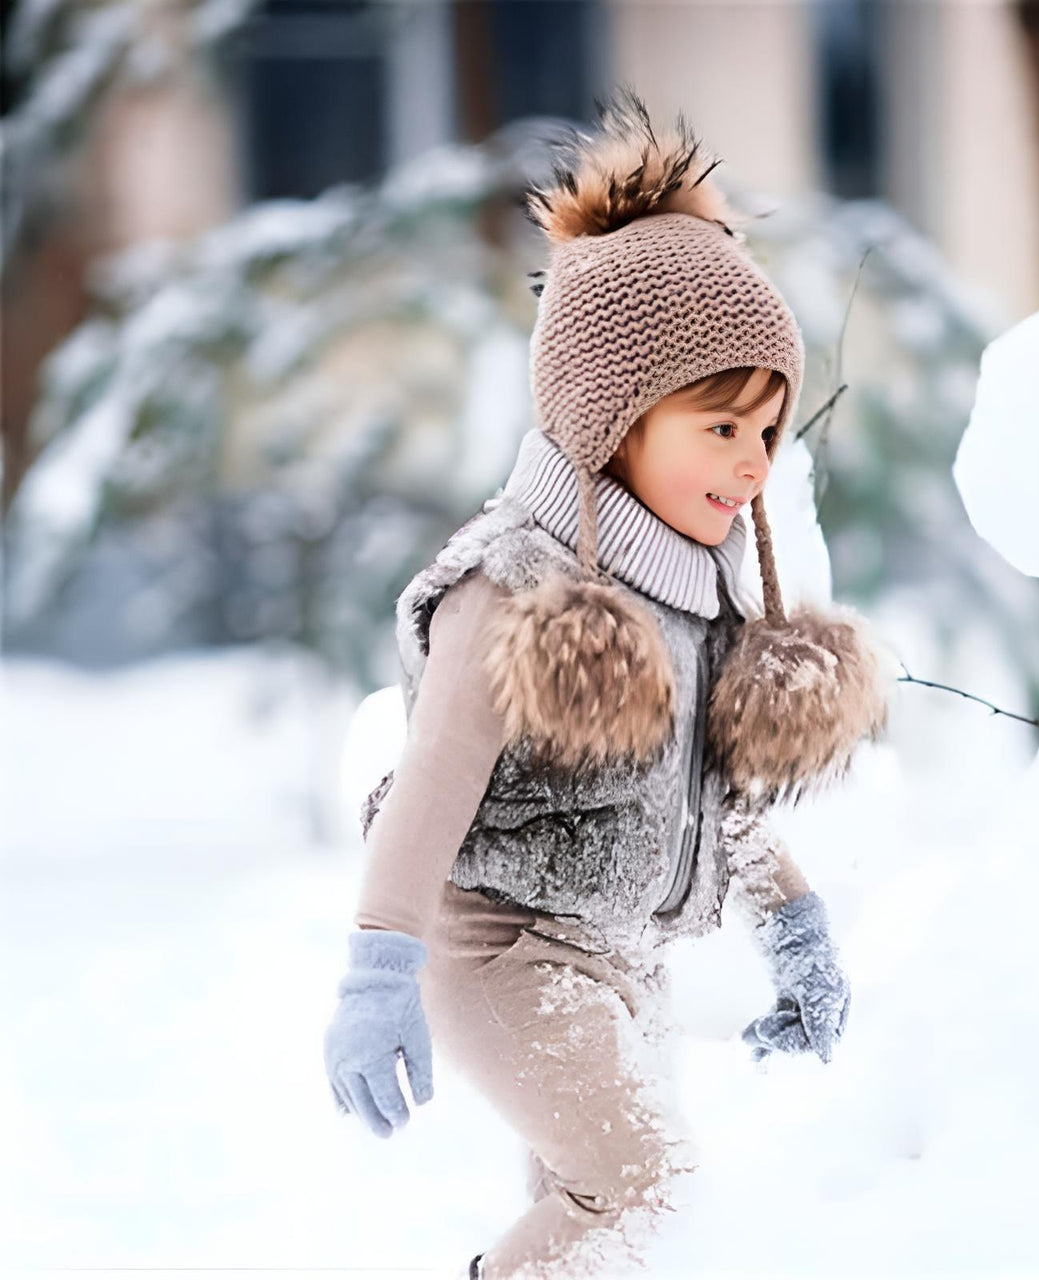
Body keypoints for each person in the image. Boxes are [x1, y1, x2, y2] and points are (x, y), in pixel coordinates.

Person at [323, 87, 899, 1280]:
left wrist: (792, 925)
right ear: (615, 416)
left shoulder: (696, 586)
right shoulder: (515, 588)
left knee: (601, 1218)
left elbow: (710, 794)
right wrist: (376, 970)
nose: (751, 463)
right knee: (642, 1193)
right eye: (719, 426)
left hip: (624, 952)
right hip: (496, 949)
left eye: (767, 431)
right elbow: (427, 785)